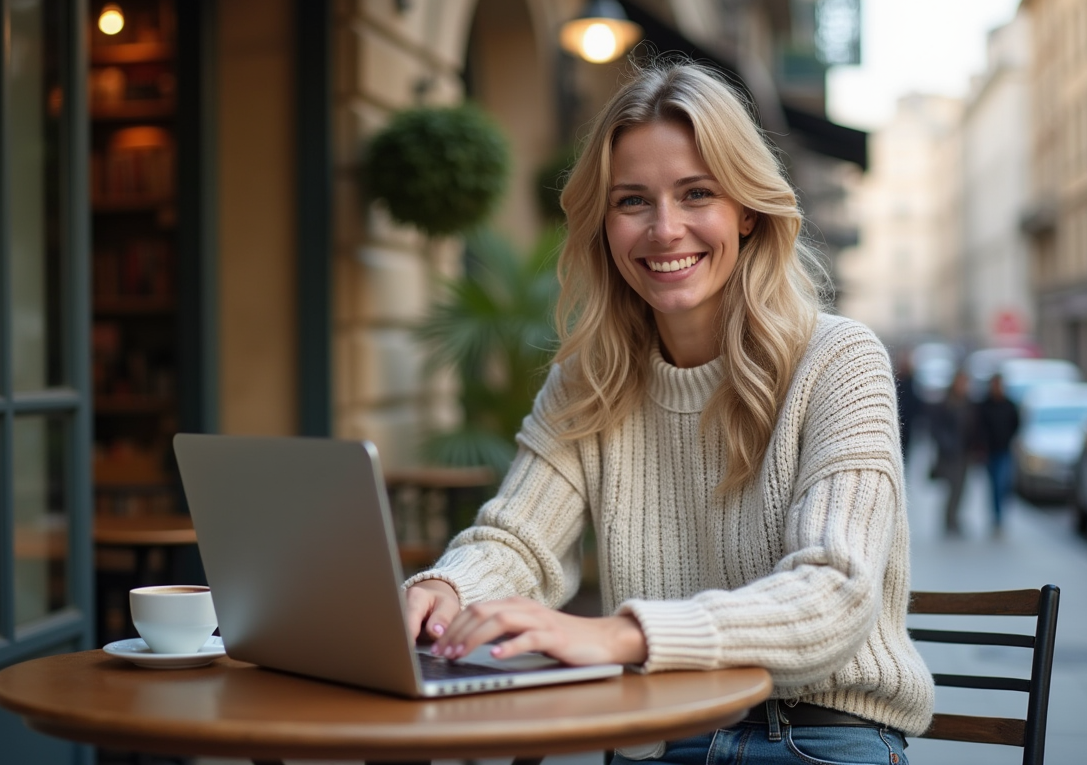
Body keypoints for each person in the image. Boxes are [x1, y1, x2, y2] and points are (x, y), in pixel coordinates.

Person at [403, 60, 934, 765]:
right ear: (604, 221)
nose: (664, 229)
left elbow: (834, 592)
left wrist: (620, 636)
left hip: (813, 736)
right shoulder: (587, 380)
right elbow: (516, 543)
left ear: (747, 210)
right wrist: (442, 587)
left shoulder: (839, 361)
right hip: (656, 738)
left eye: (696, 194)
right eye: (632, 201)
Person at [928, 370, 975, 536]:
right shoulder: (946, 403)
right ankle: (950, 520)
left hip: (964, 453)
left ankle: (954, 518)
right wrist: (945, 444)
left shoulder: (969, 403)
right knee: (952, 488)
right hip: (949, 454)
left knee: (962, 488)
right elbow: (936, 428)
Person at [973, 373, 1020, 536]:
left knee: (1003, 483)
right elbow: (979, 427)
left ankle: (1000, 515)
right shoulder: (985, 405)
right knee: (994, 485)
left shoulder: (1009, 405)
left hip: (1004, 450)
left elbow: (1016, 424)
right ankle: (996, 516)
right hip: (990, 452)